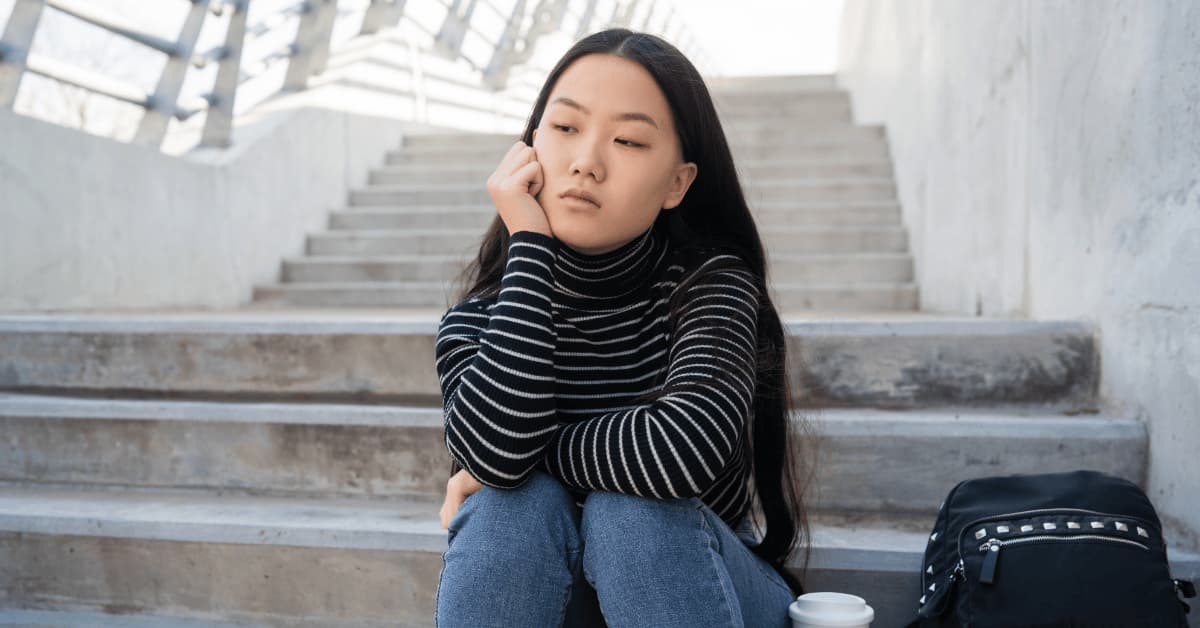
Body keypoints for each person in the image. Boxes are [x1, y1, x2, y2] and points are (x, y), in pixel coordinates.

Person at [432, 27, 814, 628]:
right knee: (509, 508)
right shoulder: (479, 320)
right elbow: (496, 456)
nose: (586, 162)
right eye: (565, 127)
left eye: (628, 140)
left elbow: (683, 448)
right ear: (527, 149)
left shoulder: (709, 286)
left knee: (630, 513)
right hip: (550, 593)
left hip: (703, 585)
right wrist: (528, 244)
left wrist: (531, 451)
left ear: (677, 183)